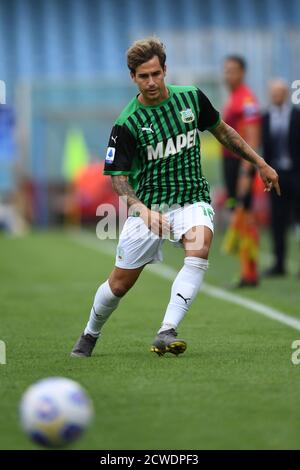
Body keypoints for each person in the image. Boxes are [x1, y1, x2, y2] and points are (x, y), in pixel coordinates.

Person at [71, 37, 280, 358]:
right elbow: (119, 180)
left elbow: (223, 131)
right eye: (144, 76)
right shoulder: (127, 123)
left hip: (192, 199)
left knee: (200, 249)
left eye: (156, 73)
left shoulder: (192, 99)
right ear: (133, 77)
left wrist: (260, 162)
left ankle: (166, 331)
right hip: (149, 208)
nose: (152, 82)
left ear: (165, 70)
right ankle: (89, 333)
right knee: (118, 286)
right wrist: (143, 210)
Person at [221, 56, 262, 287]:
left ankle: (250, 273)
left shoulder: (247, 99)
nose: (229, 75)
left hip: (240, 166)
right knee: (240, 215)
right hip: (230, 164)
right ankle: (246, 270)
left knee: (245, 216)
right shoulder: (234, 97)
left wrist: (247, 172)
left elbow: (252, 138)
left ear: (243, 73)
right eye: (226, 70)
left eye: (233, 70)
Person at [262, 79, 300, 276]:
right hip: (276, 175)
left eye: (280, 93)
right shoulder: (266, 117)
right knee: (277, 220)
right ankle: (279, 263)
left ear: (285, 94)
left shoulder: (296, 115)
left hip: (296, 173)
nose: (277, 96)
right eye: (273, 93)